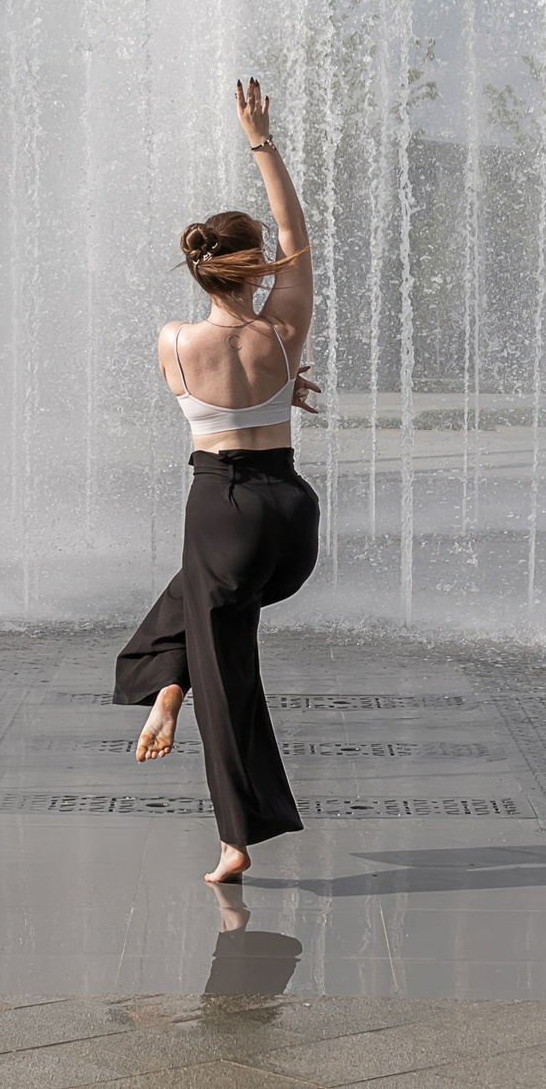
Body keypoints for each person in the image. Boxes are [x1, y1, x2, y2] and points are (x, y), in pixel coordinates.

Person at [113, 77, 322, 884]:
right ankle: (165, 673)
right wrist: (260, 139)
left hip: (223, 508)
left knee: (224, 661)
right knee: (193, 604)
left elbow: (211, 386)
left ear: (200, 271)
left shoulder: (172, 340)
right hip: (292, 519)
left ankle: (234, 834)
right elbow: (297, 240)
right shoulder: (284, 328)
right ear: (252, 265)